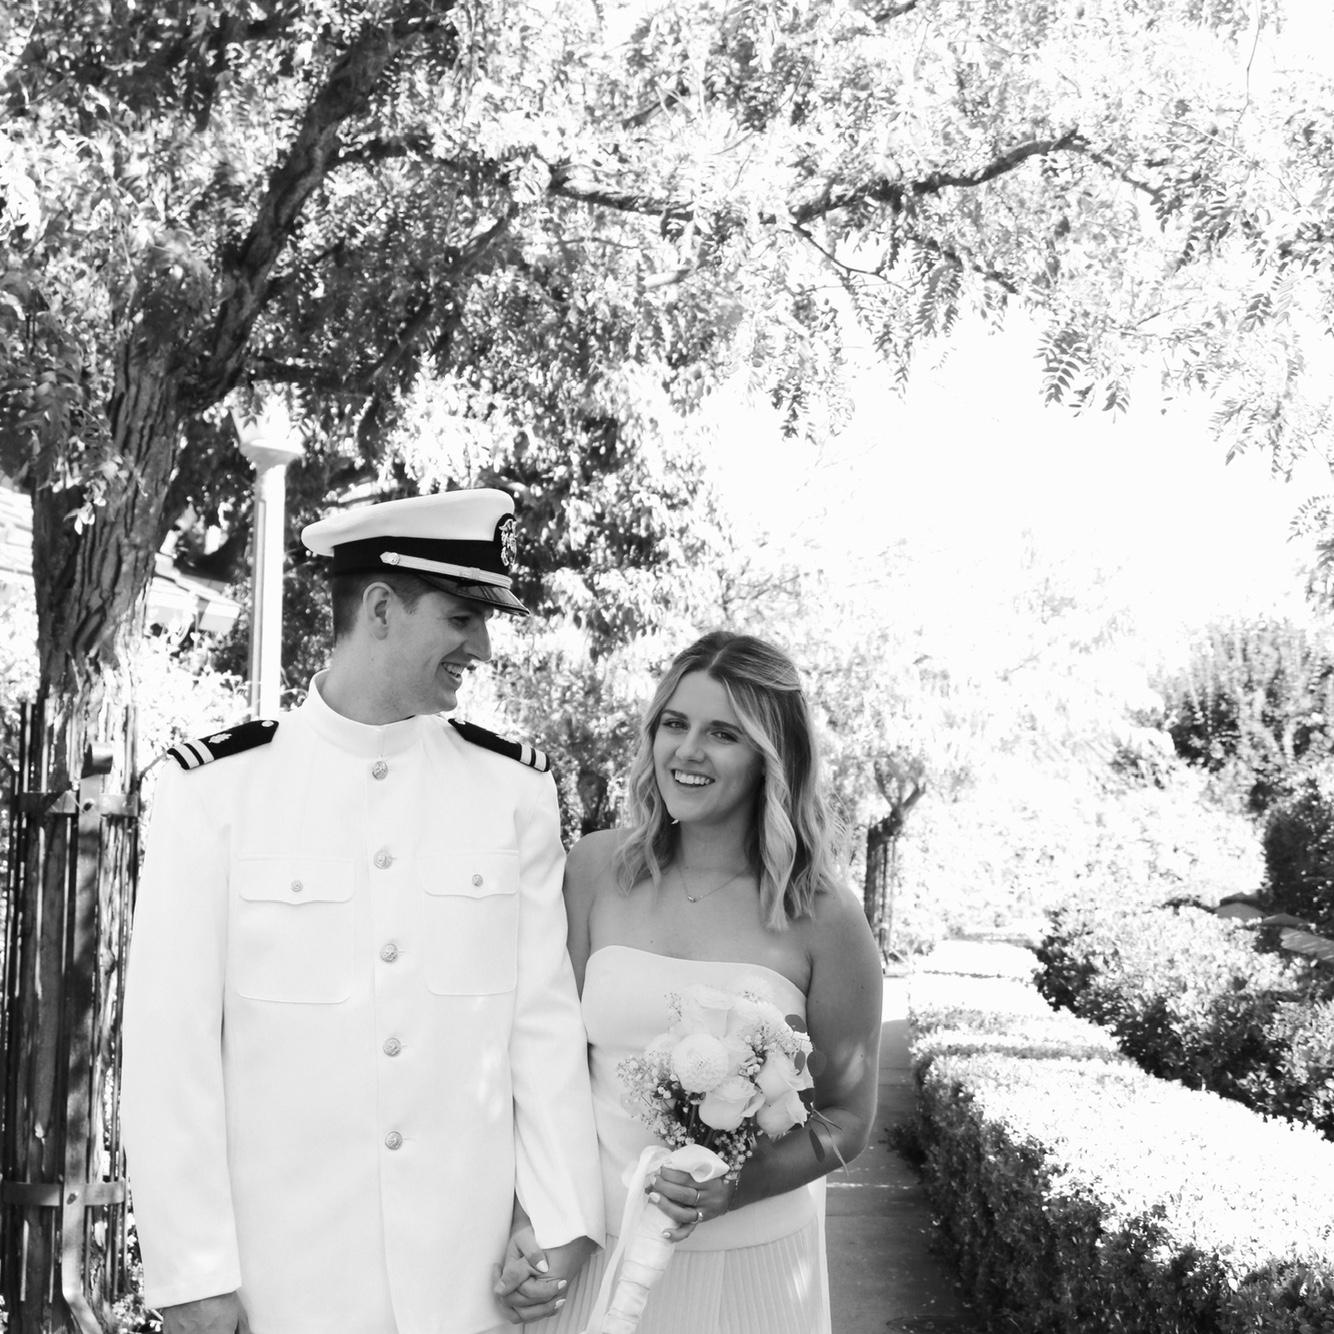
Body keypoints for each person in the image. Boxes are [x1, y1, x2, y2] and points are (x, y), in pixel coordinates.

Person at [120, 488, 603, 1334]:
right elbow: (172, 1052)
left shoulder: (511, 792)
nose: (482, 647)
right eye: (462, 617)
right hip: (285, 1288)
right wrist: (192, 1273)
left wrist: (559, 1223)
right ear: (380, 608)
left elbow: (542, 1026)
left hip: (468, 1285)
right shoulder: (217, 792)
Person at [501, 630, 884, 1333]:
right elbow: (545, 1064)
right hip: (595, 1249)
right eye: (675, 724)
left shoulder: (825, 916)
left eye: (723, 734)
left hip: (751, 1267)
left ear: (772, 757)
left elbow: (847, 1118)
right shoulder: (596, 870)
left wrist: (738, 1184)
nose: (688, 750)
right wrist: (534, 1218)